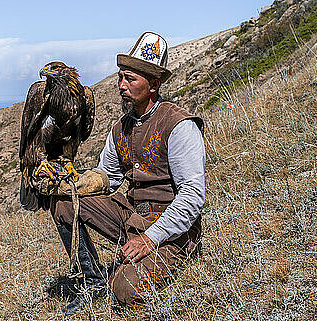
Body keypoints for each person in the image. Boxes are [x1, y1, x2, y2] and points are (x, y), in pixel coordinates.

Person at [50, 31, 205, 313]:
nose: (121, 85)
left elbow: (192, 196)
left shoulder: (179, 125)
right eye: (120, 77)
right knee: (64, 205)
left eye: (130, 79)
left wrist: (150, 239)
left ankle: (172, 257)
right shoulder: (120, 128)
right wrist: (77, 183)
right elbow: (107, 176)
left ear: (154, 84)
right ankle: (93, 280)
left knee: (125, 292)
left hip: (171, 229)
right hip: (131, 214)